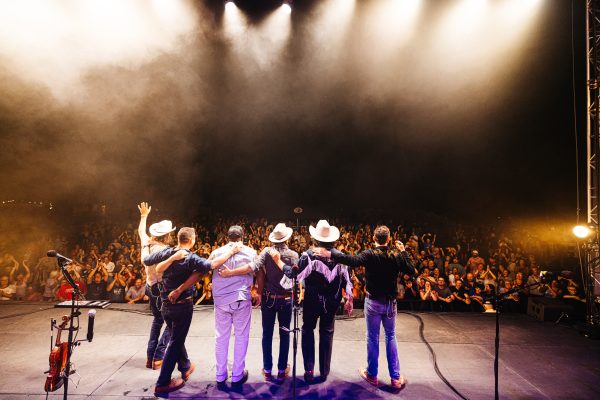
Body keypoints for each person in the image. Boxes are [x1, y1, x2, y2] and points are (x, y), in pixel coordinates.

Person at [313, 225, 415, 390]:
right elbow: (410, 270)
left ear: (374, 238)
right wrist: (403, 251)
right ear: (389, 239)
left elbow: (351, 260)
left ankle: (372, 375)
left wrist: (331, 253)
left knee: (372, 338)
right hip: (390, 303)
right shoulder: (396, 254)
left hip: (373, 302)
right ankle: (396, 378)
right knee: (391, 336)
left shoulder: (369, 254)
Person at [143, 227, 239, 395]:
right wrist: (231, 252)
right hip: (182, 306)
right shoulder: (190, 258)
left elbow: (146, 260)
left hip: (165, 304)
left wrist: (147, 243)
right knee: (175, 342)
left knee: (175, 337)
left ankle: (185, 366)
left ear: (179, 239)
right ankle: (163, 382)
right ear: (192, 240)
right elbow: (212, 265)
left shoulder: (167, 251)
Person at [219, 223, 299, 383]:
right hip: (286, 300)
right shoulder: (293, 255)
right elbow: (295, 278)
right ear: (287, 238)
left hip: (269, 300)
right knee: (285, 336)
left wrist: (231, 273)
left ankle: (268, 370)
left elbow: (252, 267)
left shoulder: (266, 252)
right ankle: (282, 370)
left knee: (266, 335)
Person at [279, 220, 353, 383]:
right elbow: (347, 280)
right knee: (327, 332)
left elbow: (294, 275)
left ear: (316, 238)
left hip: (313, 301)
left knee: (307, 330)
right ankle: (324, 371)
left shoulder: (309, 255)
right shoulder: (339, 256)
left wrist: (283, 266)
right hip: (332, 301)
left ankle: (309, 369)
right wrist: (348, 299)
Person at [137, 202, 174, 370]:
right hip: (161, 289)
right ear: (166, 236)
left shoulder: (146, 243)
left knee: (157, 320)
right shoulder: (164, 250)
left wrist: (144, 216)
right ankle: (158, 356)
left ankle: (149, 356)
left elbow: (140, 232)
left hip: (149, 286)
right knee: (173, 323)